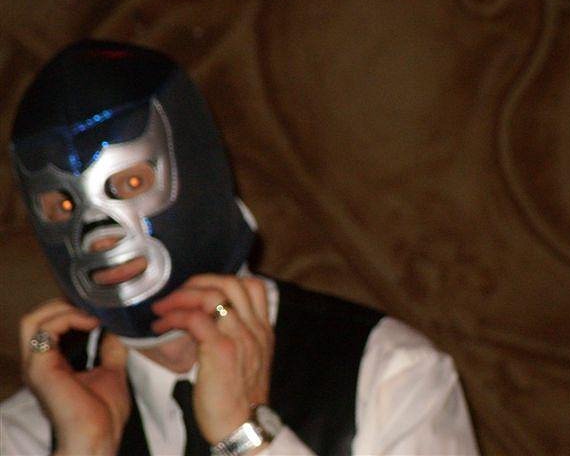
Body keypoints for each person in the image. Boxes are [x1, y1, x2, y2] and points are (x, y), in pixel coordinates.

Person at [0, 40, 479, 456]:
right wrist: (82, 449)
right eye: (62, 205)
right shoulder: (32, 427)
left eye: (130, 182)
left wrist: (246, 437)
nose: (98, 234)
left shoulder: (387, 376)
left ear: (196, 170)